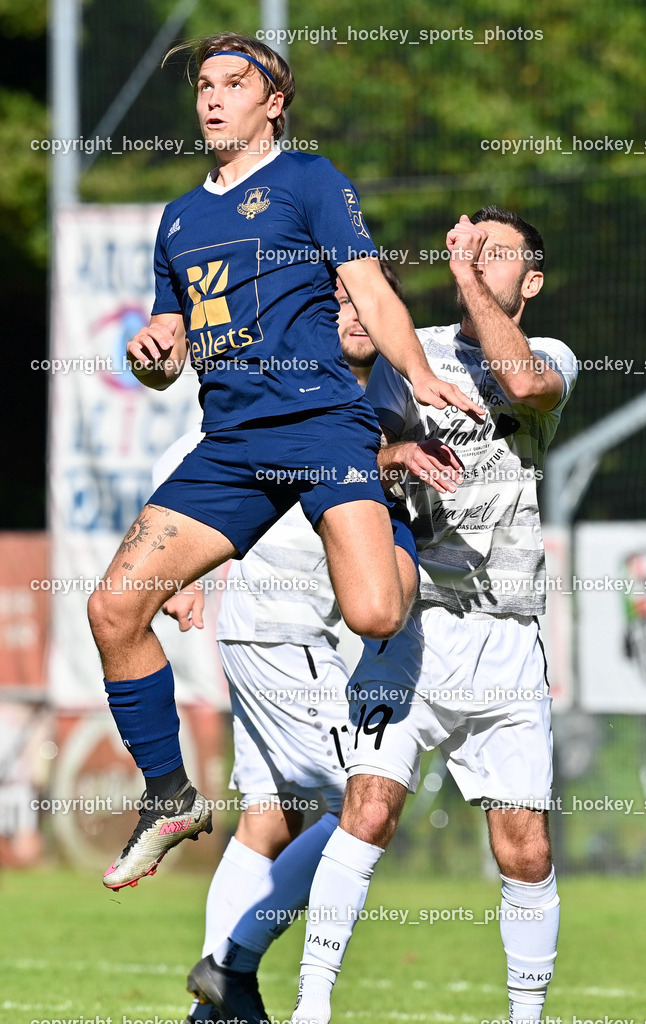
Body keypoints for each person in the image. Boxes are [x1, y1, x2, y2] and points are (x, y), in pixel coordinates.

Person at [87, 32, 482, 892]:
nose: (212, 97)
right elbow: (169, 350)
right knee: (115, 609)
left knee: (375, 616)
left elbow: (369, 287)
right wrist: (155, 350)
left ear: (274, 103)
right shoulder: (180, 218)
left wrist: (418, 375)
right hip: (229, 444)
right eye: (203, 85)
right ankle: (168, 796)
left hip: (321, 425)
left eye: (235, 83)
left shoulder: (308, 180)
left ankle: (399, 531)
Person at [289, 207, 579, 1024]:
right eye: (467, 249)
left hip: (507, 639)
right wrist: (392, 455)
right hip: (412, 628)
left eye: (496, 256)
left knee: (524, 848)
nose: (477, 263)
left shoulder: (550, 358)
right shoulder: (402, 356)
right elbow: (342, 455)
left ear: (531, 281)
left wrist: (460, 279)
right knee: (369, 809)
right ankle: (312, 1006)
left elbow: (521, 386)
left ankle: (526, 1018)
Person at [154, 266, 403, 1024]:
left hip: (307, 628)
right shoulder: (293, 377)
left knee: (269, 815)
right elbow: (193, 452)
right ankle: (230, 965)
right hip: (276, 623)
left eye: (365, 299)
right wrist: (178, 567)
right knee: (362, 799)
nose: (353, 313)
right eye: (337, 302)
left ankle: (214, 1010)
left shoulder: (391, 392)